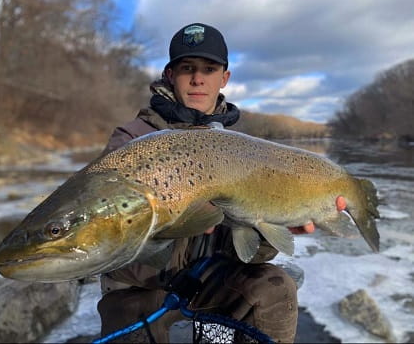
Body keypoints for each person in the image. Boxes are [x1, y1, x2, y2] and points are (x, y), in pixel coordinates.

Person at [97, 23, 314, 343]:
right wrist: (185, 225)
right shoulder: (131, 139)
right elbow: (110, 240)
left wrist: (269, 226)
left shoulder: (246, 150)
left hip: (211, 278)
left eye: (209, 69)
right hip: (139, 285)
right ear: (170, 75)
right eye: (188, 68)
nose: (198, 78)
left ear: (224, 78)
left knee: (276, 285)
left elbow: (248, 254)